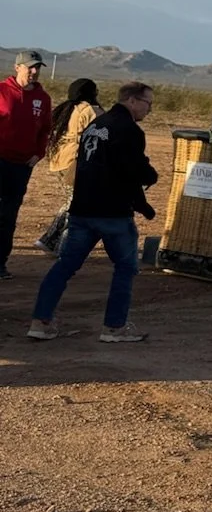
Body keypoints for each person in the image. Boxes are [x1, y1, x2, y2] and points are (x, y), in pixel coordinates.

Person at [27, 81, 157, 344]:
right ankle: (114, 327)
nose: (149, 110)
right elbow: (131, 171)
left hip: (82, 210)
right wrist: (147, 187)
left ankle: (41, 321)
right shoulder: (129, 130)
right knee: (125, 268)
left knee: (65, 265)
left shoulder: (95, 126)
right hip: (113, 213)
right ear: (132, 101)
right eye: (147, 103)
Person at [0, 50, 53, 278]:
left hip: (22, 166)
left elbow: (45, 130)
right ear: (17, 67)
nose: (34, 72)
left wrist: (38, 153)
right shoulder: (2, 91)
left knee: (8, 215)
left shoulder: (43, 99)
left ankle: (0, 262)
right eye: (30, 67)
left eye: (37, 67)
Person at [37, 77, 102, 253]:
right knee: (76, 204)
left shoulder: (66, 108)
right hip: (76, 162)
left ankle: (49, 240)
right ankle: (61, 245)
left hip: (60, 160)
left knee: (72, 201)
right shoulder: (89, 110)